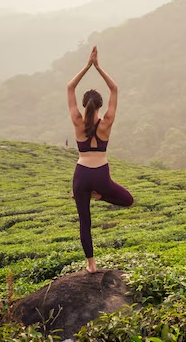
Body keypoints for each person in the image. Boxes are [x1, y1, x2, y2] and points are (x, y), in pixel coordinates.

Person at [67, 46, 133, 273]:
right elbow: (114, 88)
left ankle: (91, 265)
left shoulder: (77, 121)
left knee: (85, 221)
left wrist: (87, 66)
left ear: (84, 105)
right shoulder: (107, 122)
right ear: (100, 106)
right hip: (101, 176)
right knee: (128, 200)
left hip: (81, 175)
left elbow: (70, 87)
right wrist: (98, 67)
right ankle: (100, 195)